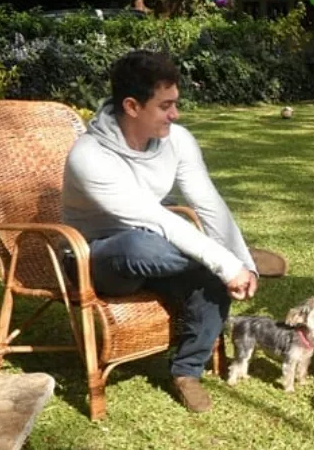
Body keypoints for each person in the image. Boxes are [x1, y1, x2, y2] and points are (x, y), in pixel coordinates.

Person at [62, 50, 258, 413]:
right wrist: (225, 263)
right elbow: (155, 218)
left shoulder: (177, 140)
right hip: (95, 257)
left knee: (208, 274)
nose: (176, 114)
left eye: (175, 103)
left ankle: (187, 371)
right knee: (143, 245)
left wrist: (241, 263)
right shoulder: (89, 157)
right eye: (165, 105)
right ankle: (211, 258)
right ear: (132, 106)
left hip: (159, 246)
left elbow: (207, 202)